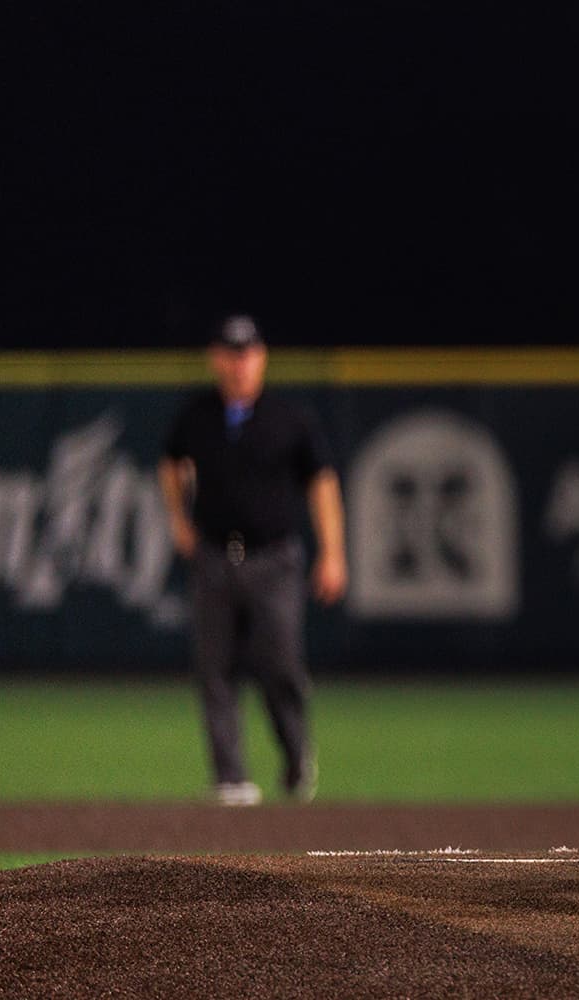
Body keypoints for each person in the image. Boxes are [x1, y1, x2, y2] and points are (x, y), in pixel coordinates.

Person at [158, 314, 347, 806]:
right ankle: (230, 777)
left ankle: (295, 752)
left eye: (247, 354)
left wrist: (332, 552)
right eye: (231, 353)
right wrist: (178, 520)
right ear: (216, 359)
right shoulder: (198, 415)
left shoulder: (289, 418)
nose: (239, 363)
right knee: (214, 668)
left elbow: (322, 483)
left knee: (280, 664)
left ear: (261, 359)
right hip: (214, 556)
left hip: (274, 559)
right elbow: (170, 462)